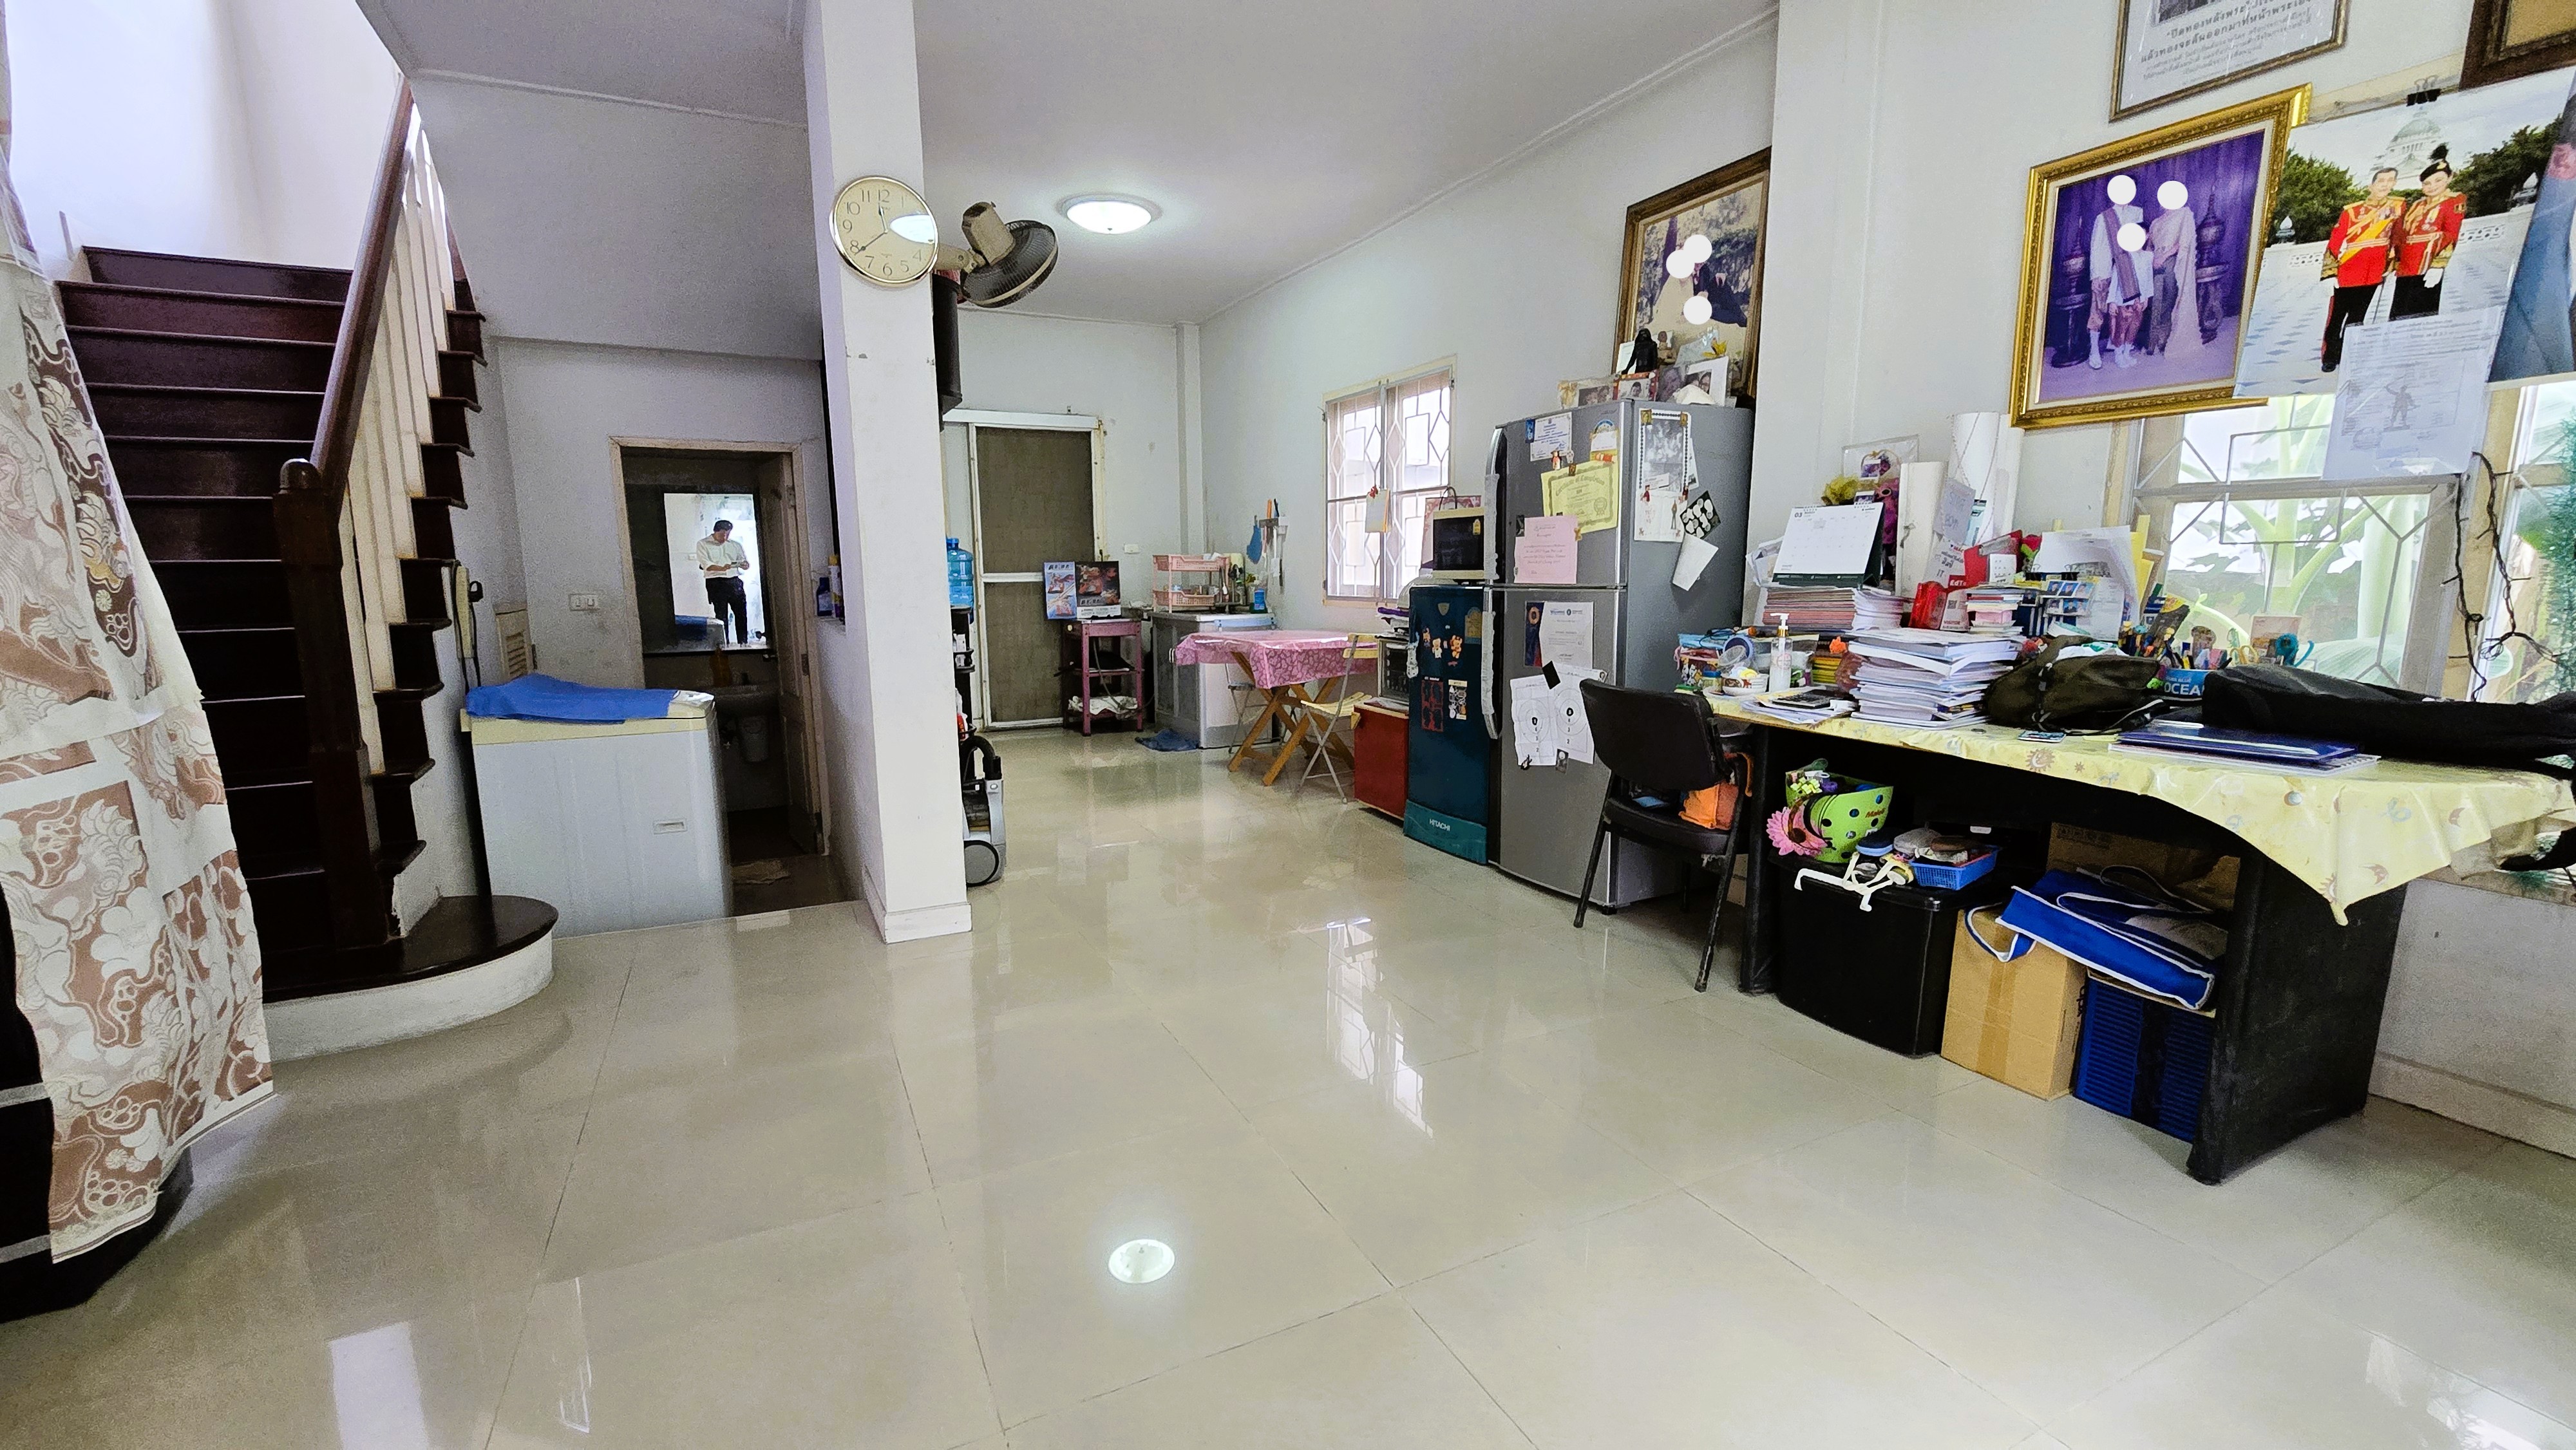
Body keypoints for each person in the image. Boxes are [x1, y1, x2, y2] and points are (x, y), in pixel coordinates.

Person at [2319, 166, 2403, 372]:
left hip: (2374, 273)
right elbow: (2335, 242)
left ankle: (2348, 353)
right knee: (2337, 317)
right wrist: (2329, 273)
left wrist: (2391, 263)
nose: (2385, 185)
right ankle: (2330, 356)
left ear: (2394, 184)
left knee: (2357, 317)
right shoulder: (2352, 211)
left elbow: (2397, 237)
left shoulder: (2398, 207)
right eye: (2381, 181)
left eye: (2390, 181)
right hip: (2349, 270)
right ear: (2371, 186)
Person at [2088, 174, 2154, 370]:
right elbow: (2097, 247)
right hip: (2106, 270)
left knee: (2126, 312)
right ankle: (2094, 351)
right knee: (2099, 310)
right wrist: (2095, 275)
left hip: (2128, 270)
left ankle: (2118, 346)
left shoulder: (2137, 213)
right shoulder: (2104, 217)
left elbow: (2141, 241)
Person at [2392, 146, 2465, 320]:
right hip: (2407, 265)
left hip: (2428, 262)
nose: (2432, 187)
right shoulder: (2418, 205)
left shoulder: (2454, 201)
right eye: (2427, 183)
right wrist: (2393, 262)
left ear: (2449, 179)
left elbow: (2451, 235)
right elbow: (2403, 234)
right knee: (2399, 312)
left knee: (2420, 312)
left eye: (2438, 181)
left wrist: (2438, 266)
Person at [2145, 179, 2199, 356]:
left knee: (2169, 298)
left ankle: (2165, 338)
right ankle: (2152, 340)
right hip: (2154, 262)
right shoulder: (2156, 222)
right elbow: (2150, 246)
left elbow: (2182, 242)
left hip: (2171, 262)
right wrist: (2152, 259)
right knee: (2155, 301)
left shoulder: (2183, 214)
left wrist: (2164, 256)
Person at [694, 518, 752, 644]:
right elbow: (706, 565)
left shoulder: (735, 545)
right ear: (715, 532)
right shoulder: (703, 544)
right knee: (721, 616)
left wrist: (744, 565)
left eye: (727, 534)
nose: (724, 538)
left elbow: (744, 561)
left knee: (741, 614)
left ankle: (743, 643)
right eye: (722, 535)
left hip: (734, 581)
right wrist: (722, 568)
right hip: (716, 582)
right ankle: (724, 644)